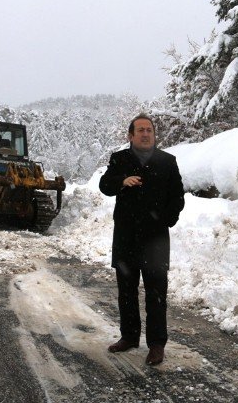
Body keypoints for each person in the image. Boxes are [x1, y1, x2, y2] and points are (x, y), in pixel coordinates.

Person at [99, 114, 185, 366]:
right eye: (140, 130)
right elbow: (105, 185)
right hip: (126, 237)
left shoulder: (167, 162)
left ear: (154, 135)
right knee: (126, 292)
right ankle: (129, 337)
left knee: (156, 294)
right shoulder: (120, 159)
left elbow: (177, 196)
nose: (145, 134)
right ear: (130, 135)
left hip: (155, 241)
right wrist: (121, 181)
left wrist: (165, 220)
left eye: (149, 130)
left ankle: (157, 344)